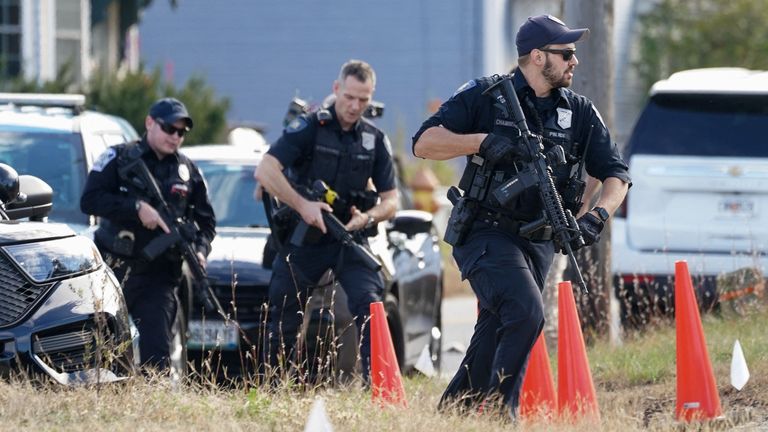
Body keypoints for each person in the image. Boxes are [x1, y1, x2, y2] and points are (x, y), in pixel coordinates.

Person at [412, 14, 631, 416]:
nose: (574, 61)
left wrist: (596, 216)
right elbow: (424, 143)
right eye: (565, 53)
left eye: (574, 54)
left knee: (498, 327)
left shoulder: (579, 111)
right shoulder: (484, 95)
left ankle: (453, 414)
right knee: (527, 313)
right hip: (484, 231)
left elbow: (616, 174)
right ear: (536, 57)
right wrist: (480, 141)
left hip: (540, 241)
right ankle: (501, 413)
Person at [255, 59, 398, 381]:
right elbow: (265, 170)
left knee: (371, 304)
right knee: (284, 314)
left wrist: (368, 217)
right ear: (336, 89)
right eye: (349, 97)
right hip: (305, 237)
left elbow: (392, 200)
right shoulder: (308, 128)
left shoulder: (374, 139)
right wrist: (303, 205)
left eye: (363, 99)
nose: (355, 105)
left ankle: (380, 388)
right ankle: (275, 387)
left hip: (349, 237)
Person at [81, 98, 216, 371]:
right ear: (150, 123)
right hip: (114, 268)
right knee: (103, 350)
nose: (175, 137)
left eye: (181, 132)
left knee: (158, 355)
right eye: (169, 129)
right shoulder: (118, 158)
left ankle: (152, 403)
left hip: (160, 275)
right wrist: (135, 208)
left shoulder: (188, 171)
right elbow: (90, 200)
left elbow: (206, 223)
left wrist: (201, 250)